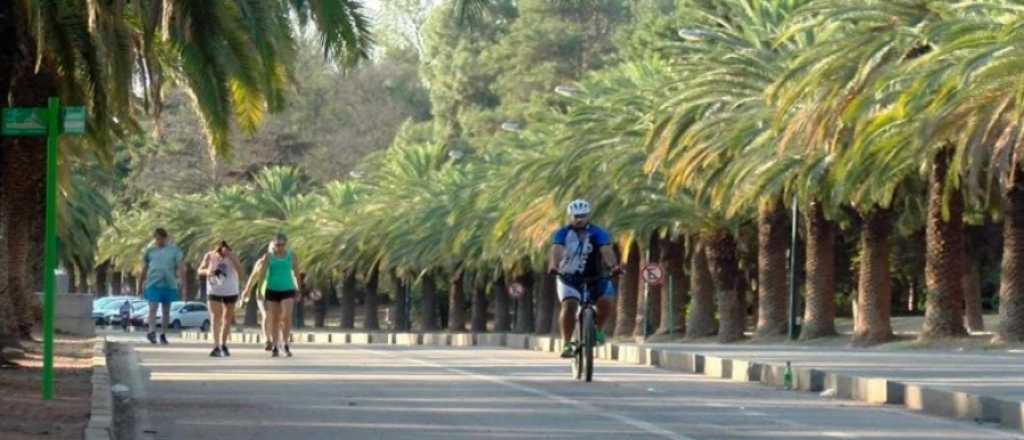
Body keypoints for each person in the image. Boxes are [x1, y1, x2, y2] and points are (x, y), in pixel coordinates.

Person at [548, 199, 622, 358]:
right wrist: (554, 265)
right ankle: (567, 343)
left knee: (606, 301)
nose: (579, 219)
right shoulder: (562, 233)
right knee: (569, 305)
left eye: (582, 215)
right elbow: (557, 249)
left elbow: (606, 250)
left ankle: (599, 331)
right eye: (575, 216)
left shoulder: (598, 232)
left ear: (588, 215)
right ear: (570, 216)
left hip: (596, 276)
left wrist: (613, 266)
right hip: (568, 278)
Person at [241, 233, 302, 357]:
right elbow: (261, 274)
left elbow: (296, 273)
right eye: (277, 245)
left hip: (287, 289)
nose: (279, 247)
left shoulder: (291, 256)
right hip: (272, 290)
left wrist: (298, 289)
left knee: (286, 316)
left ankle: (285, 343)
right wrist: (258, 290)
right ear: (273, 244)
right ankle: (275, 344)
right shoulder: (268, 257)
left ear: (286, 244)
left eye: (282, 245)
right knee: (274, 319)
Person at [138, 227, 185, 345]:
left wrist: (182, 281)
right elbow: (144, 268)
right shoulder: (150, 251)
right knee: (152, 308)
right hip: (153, 283)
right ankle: (151, 331)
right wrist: (140, 284)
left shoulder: (174, 251)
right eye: (156, 239)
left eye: (160, 239)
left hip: (169, 284)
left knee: (166, 311)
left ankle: (163, 334)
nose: (158, 241)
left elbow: (180, 266)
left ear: (165, 238)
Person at [198, 240, 244, 357]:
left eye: (225, 249)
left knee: (227, 319)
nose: (222, 253)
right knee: (215, 317)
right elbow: (200, 270)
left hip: (230, 291)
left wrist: (234, 260)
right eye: (219, 250)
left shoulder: (233, 256)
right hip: (214, 290)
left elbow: (241, 273)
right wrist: (208, 271)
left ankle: (223, 344)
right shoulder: (209, 255)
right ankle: (216, 346)